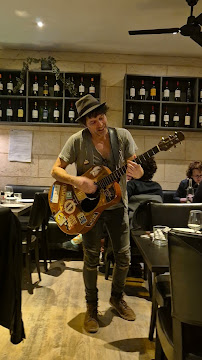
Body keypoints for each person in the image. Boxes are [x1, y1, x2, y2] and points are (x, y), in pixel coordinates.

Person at [51, 94, 143, 333]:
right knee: (91, 258)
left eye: (101, 118)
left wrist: (138, 172)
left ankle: (117, 297)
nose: (100, 125)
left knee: (124, 257)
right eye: (93, 122)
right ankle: (91, 307)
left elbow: (137, 169)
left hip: (117, 207)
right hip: (88, 211)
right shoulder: (77, 141)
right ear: (85, 124)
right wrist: (78, 181)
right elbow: (56, 170)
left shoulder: (122, 137)